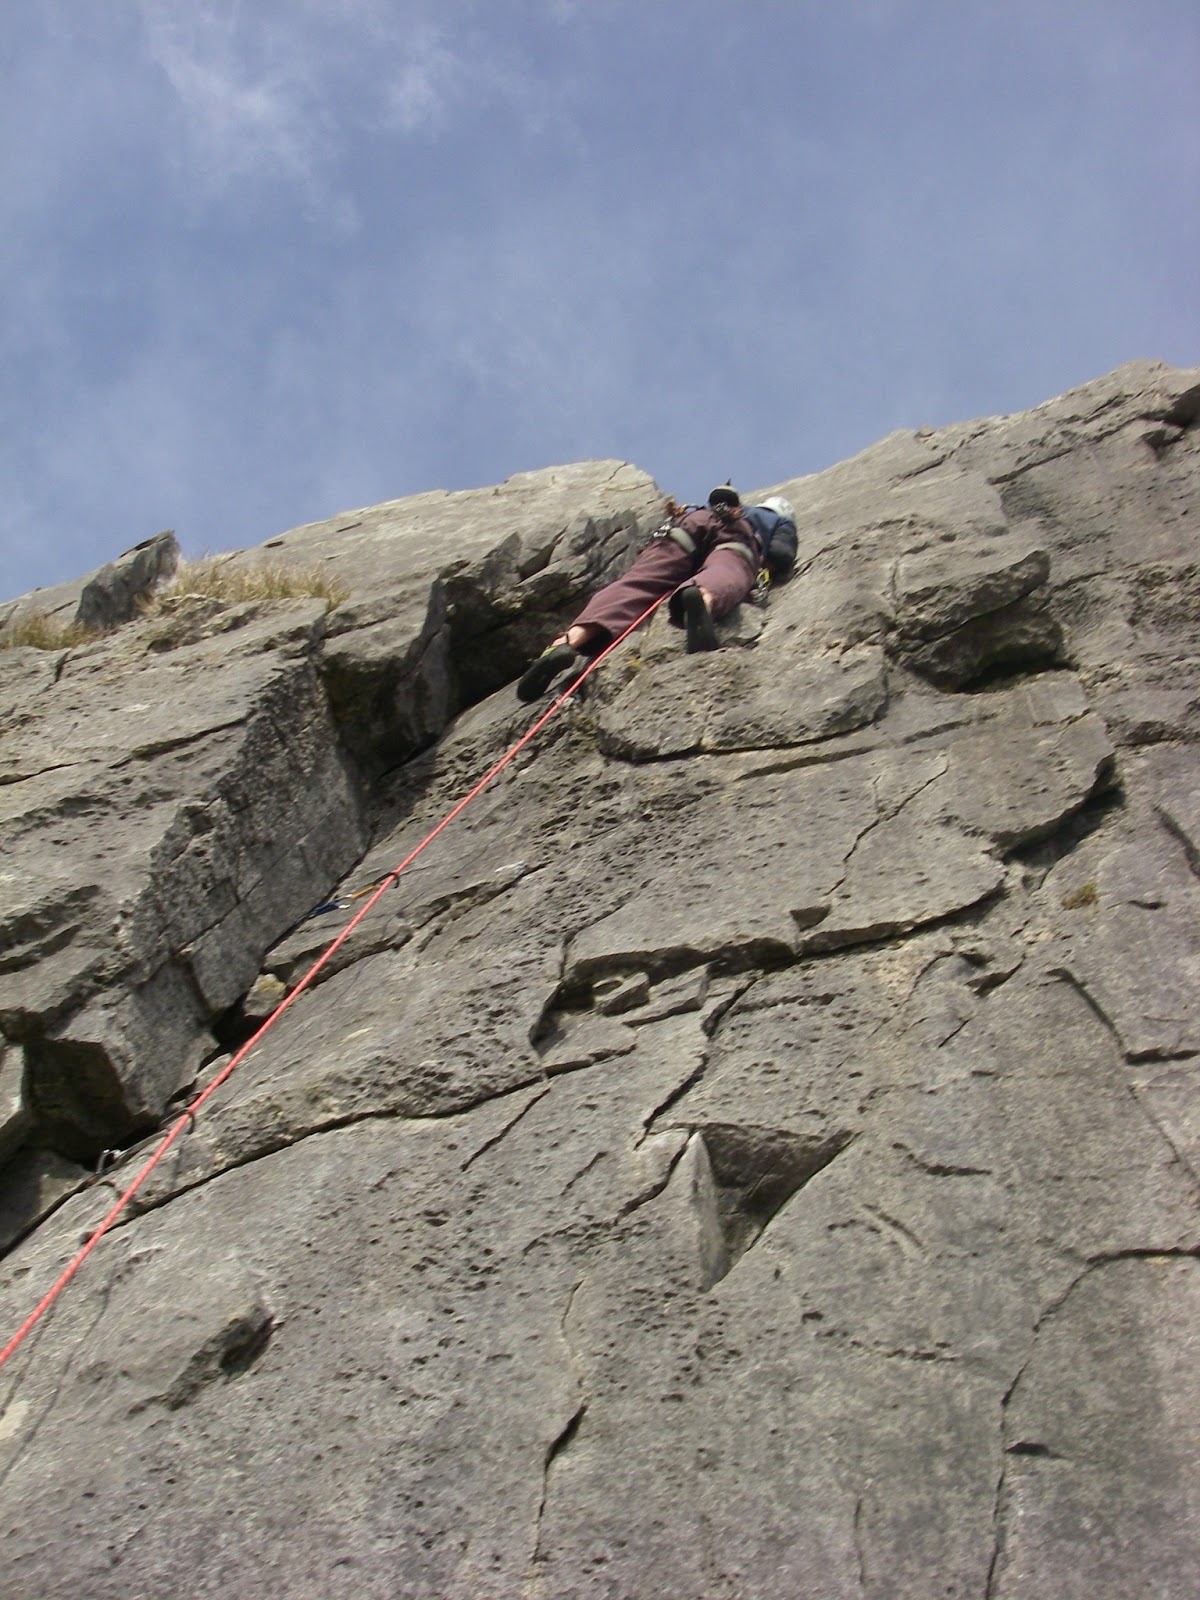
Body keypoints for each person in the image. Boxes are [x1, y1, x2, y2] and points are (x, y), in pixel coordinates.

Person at [516, 487, 797, 702]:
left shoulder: (714, 508)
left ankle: (568, 642)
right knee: (729, 565)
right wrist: (764, 565)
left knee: (636, 584)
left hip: (685, 524)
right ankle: (702, 598)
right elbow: (782, 554)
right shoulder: (775, 521)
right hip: (733, 535)